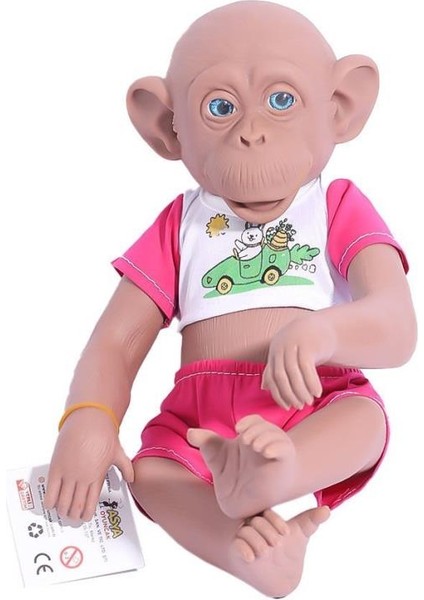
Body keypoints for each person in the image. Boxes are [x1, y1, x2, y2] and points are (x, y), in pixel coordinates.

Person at [45, 2, 416, 596]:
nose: (251, 131)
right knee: (148, 473)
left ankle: (278, 472)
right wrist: (88, 418)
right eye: (220, 107)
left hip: (312, 396)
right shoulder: (180, 224)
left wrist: (323, 333)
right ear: (167, 128)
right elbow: (116, 339)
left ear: (341, 106)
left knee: (364, 420)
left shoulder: (335, 205)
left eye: (280, 100)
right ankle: (250, 553)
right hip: (200, 423)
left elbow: (397, 326)